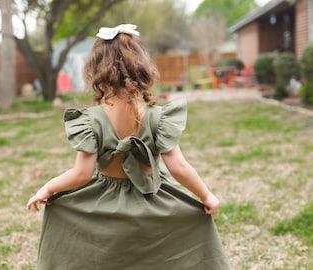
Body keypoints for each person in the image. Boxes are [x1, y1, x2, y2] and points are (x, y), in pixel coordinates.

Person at [27, 24, 231, 269]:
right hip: (154, 200)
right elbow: (178, 167)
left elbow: (81, 174)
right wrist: (206, 195)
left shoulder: (91, 121)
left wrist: (47, 189)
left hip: (104, 206)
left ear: (96, 70)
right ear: (142, 67)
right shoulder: (158, 117)